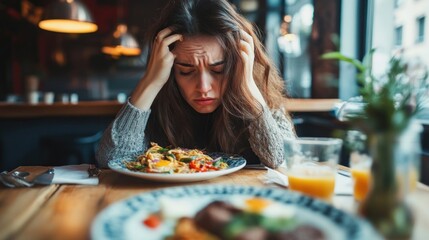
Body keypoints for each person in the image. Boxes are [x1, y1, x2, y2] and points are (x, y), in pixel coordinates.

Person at [96, 0, 296, 169]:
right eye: (186, 70)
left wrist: (249, 89)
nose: (203, 87)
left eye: (218, 70)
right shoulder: (157, 99)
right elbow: (112, 160)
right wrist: (150, 81)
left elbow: (285, 162)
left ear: (238, 66)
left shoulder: (259, 93)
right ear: (171, 69)